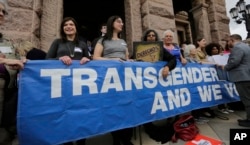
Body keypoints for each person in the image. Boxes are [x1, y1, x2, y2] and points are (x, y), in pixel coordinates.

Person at [46, 17, 90, 145]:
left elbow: (89, 59)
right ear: (62, 28)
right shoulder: (57, 42)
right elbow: (47, 59)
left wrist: (87, 60)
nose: (69, 26)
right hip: (62, 85)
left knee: (81, 114)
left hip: (79, 86)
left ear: (76, 28)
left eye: (71, 24)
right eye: (66, 25)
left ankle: (82, 141)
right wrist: (59, 59)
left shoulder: (82, 44)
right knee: (65, 114)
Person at [93, 15, 134, 145]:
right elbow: (96, 58)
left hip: (125, 79)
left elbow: (126, 58)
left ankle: (127, 139)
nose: (122, 23)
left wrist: (130, 61)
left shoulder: (123, 41)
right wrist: (113, 60)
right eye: (119, 21)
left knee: (127, 107)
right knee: (114, 110)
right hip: (110, 80)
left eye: (122, 22)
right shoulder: (103, 40)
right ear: (112, 24)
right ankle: (116, 139)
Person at [141, 29, 177, 144]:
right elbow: (132, 60)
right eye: (149, 35)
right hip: (145, 82)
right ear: (145, 38)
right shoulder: (140, 48)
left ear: (156, 38)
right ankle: (148, 123)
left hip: (159, 81)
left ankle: (169, 119)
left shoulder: (160, 48)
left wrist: (167, 67)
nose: (151, 37)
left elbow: (173, 59)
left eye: (153, 35)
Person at [221, 34, 250, 127]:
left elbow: (234, 61)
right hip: (247, 75)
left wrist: (225, 67)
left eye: (228, 41)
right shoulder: (246, 47)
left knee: (246, 99)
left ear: (232, 40)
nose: (228, 43)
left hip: (242, 77)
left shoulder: (237, 48)